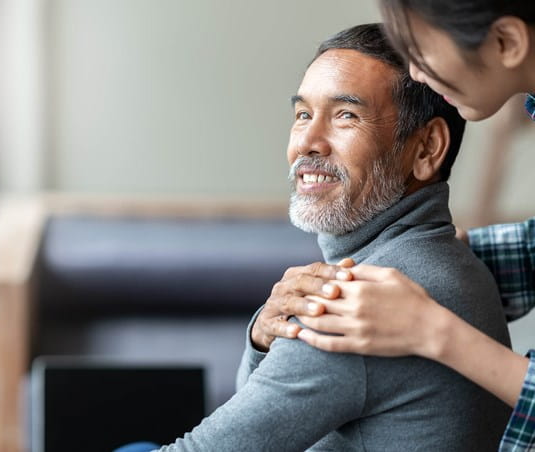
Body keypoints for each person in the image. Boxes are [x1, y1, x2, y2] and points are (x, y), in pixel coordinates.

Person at [120, 23, 511, 451]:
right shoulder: (455, 263)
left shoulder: (362, 306)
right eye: (303, 114)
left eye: (346, 115)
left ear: (426, 149)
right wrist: (262, 340)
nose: (307, 141)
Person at [252, 2, 535, 451]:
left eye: (421, 49)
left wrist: (432, 326)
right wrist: (447, 261)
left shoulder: (378, 309)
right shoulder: (420, 270)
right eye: (302, 114)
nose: (418, 73)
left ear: (507, 42)